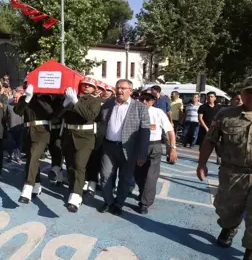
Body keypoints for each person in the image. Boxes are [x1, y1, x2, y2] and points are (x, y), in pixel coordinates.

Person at [197, 76, 252, 260]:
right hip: (232, 172)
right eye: (249, 91)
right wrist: (201, 163)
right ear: (241, 94)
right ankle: (229, 227)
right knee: (227, 208)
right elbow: (210, 139)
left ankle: (251, 253)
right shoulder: (226, 115)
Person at [97, 79, 150, 215]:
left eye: (123, 88)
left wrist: (143, 153)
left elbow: (145, 131)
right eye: (118, 88)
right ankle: (108, 201)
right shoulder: (108, 104)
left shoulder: (140, 108)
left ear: (130, 91)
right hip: (108, 147)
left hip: (129, 149)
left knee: (125, 179)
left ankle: (119, 204)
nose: (119, 91)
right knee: (105, 175)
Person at [60, 77, 102, 212]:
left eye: (89, 85)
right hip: (69, 135)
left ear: (94, 89)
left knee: (80, 165)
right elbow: (57, 116)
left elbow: (88, 116)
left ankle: (76, 197)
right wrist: (65, 104)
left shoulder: (95, 101)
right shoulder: (71, 97)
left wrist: (75, 102)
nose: (86, 87)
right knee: (70, 165)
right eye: (84, 84)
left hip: (85, 137)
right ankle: (74, 188)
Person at [135, 91, 178, 214]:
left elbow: (169, 131)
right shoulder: (134, 111)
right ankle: (143, 192)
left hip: (154, 145)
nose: (144, 102)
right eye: (142, 99)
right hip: (138, 146)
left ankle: (145, 202)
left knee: (151, 175)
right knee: (138, 173)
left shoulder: (158, 113)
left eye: (147, 100)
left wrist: (173, 148)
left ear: (153, 101)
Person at [14, 82, 56, 203]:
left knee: (33, 157)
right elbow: (17, 111)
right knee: (32, 158)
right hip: (28, 131)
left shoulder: (46, 98)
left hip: (42, 131)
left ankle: (27, 187)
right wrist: (27, 98)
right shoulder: (24, 97)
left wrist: (37, 97)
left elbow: (50, 112)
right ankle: (36, 184)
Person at [5, 87, 25, 163]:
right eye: (14, 97)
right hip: (11, 127)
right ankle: (10, 156)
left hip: (20, 127)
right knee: (10, 143)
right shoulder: (9, 105)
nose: (15, 99)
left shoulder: (24, 106)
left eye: (16, 97)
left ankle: (18, 156)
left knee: (19, 143)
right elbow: (6, 115)